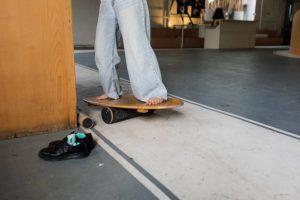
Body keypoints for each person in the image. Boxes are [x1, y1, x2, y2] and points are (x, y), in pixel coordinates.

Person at [94, 0, 167, 105]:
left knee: (135, 45)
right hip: (106, 2)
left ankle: (153, 92)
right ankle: (111, 90)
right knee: (102, 50)